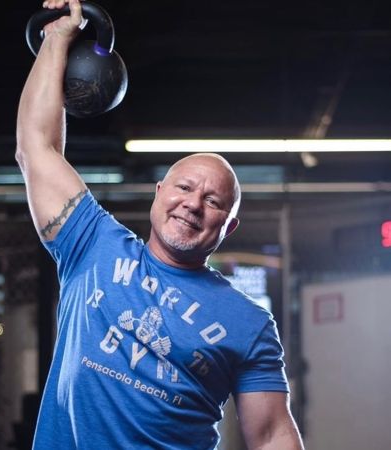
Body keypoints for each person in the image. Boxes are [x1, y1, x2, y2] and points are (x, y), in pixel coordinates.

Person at [15, 0, 305, 448]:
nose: (193, 204)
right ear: (159, 193)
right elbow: (37, 147)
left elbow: (270, 436)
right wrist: (56, 39)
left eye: (213, 201)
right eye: (184, 188)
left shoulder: (249, 323)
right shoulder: (92, 243)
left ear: (227, 227)